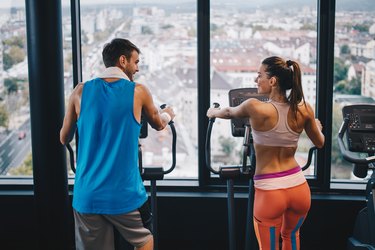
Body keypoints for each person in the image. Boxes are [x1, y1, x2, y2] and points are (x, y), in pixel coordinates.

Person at [60, 38, 175, 250]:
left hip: (87, 194)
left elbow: (64, 137)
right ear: (123, 61)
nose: (138, 68)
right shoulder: (138, 91)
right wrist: (167, 114)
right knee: (145, 241)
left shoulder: (80, 91)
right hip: (124, 193)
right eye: (136, 62)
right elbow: (158, 124)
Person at [207, 56, 324, 250]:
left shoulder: (254, 107)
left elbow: (228, 112)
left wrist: (212, 112)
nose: (255, 80)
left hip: (270, 192)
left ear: (273, 81)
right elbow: (320, 142)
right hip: (299, 189)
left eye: (259, 75)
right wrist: (317, 126)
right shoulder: (304, 109)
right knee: (292, 237)